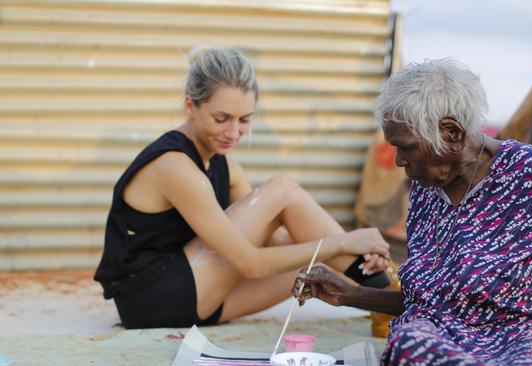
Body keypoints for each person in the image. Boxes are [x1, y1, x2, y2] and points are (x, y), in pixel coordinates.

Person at [293, 59, 532, 365]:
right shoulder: (425, 186)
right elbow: (434, 304)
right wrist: (350, 294)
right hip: (433, 340)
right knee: (410, 339)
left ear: (452, 132)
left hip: (516, 342)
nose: (398, 161)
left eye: (405, 147)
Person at [93, 46, 392, 329]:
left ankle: (386, 293)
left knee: (307, 263)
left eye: (244, 120)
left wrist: (362, 255)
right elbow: (251, 264)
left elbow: (276, 238)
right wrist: (343, 242)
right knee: (284, 190)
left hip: (193, 294)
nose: (233, 132)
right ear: (189, 106)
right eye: (220, 119)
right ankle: (386, 288)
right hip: (153, 298)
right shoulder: (175, 167)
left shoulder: (225, 164)